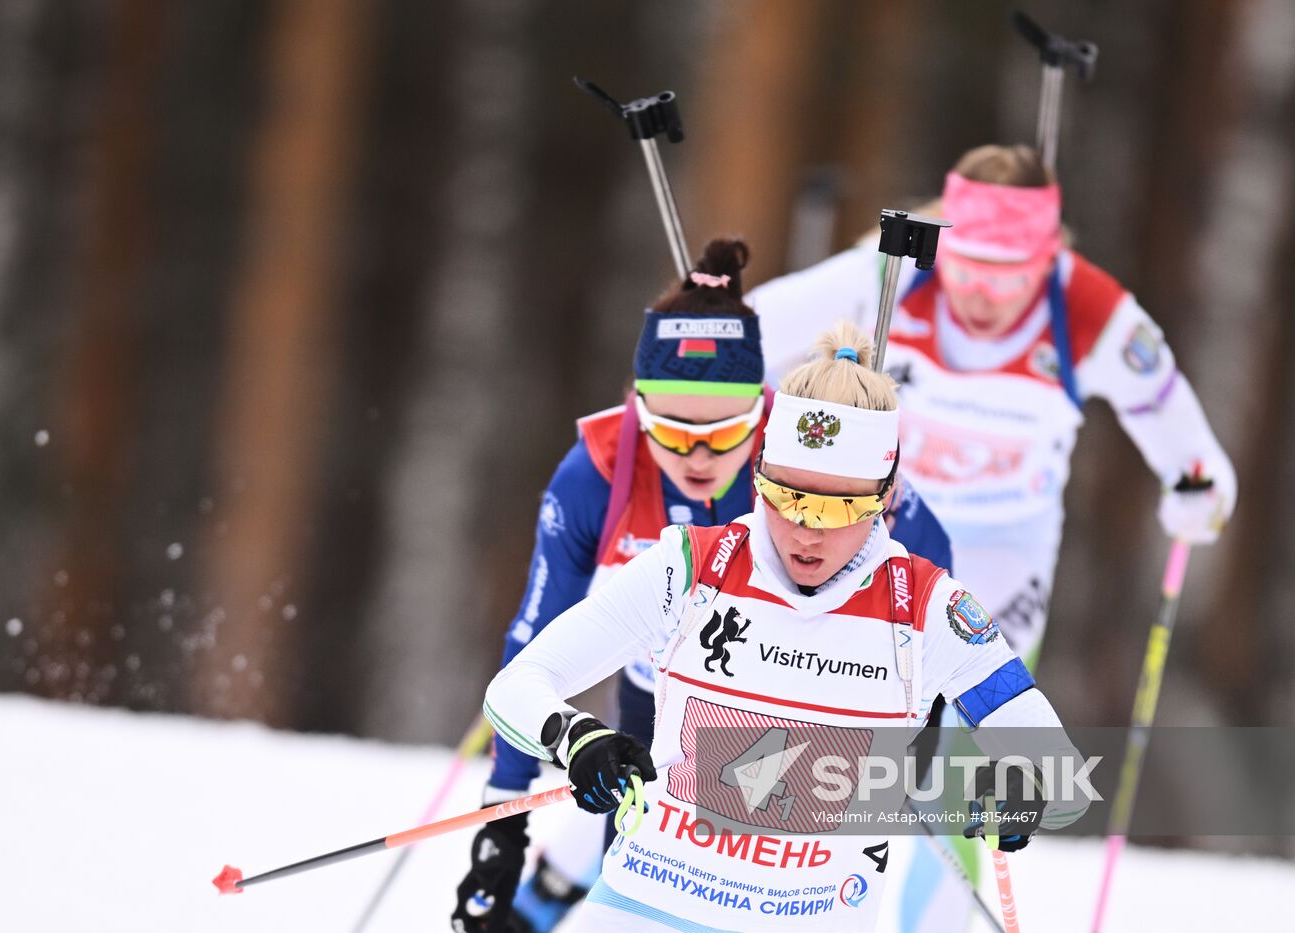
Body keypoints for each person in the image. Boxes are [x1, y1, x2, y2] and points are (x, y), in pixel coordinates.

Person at [746, 143, 1237, 931]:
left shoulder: (1090, 307)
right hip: (880, 535)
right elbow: (754, 330)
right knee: (830, 719)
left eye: (1008, 274)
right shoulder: (894, 268)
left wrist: (1199, 484)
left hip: (1005, 557)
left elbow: (1173, 417)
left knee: (966, 756)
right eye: (966, 265)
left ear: (1049, 257)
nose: (980, 292)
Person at [478, 322, 1088, 932]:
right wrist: (577, 738)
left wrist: (1020, 786)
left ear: (885, 495)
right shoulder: (688, 568)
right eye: (785, 496)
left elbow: (1049, 762)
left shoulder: (927, 608)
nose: (805, 530)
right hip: (649, 911)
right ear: (760, 477)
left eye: (835, 507)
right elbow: (518, 684)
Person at [451, 242, 953, 933]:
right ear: (637, 410)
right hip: (658, 703)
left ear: (761, 412)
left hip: (806, 707)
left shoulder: (815, 455)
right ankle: (549, 893)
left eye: (724, 434)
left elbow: (931, 563)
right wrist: (501, 822)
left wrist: (921, 720)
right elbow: (537, 645)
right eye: (670, 432)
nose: (698, 457)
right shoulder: (598, 471)